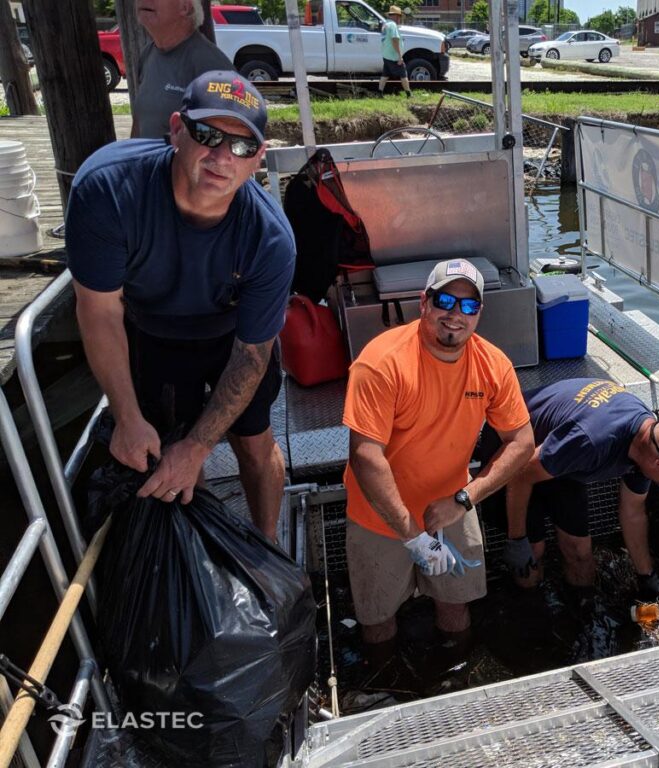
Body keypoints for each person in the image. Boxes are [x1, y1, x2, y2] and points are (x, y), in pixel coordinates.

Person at [67, 71, 295, 540]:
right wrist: (127, 417)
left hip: (233, 334)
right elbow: (99, 311)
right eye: (207, 135)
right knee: (163, 449)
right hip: (151, 329)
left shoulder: (270, 239)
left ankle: (267, 550)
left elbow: (253, 354)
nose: (220, 157)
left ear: (258, 160)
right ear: (175, 128)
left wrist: (200, 445)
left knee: (253, 443)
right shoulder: (108, 191)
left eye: (240, 146)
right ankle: (199, 549)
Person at [343, 259, 534, 647]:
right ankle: (385, 686)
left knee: (456, 605)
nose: (455, 315)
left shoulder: (493, 364)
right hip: (378, 515)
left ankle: (452, 678)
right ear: (423, 303)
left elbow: (522, 442)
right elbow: (365, 455)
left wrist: (464, 500)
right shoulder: (381, 362)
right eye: (446, 300)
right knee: (377, 621)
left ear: (479, 313)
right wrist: (411, 535)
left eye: (468, 306)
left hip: (451, 505)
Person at [499, 378, 659, 602]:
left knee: (581, 557)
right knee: (531, 557)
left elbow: (633, 511)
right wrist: (517, 538)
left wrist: (646, 575)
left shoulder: (648, 444)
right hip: (514, 453)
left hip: (561, 461)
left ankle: (580, 612)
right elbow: (521, 472)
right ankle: (530, 612)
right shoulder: (593, 440)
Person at [133, 0, 234, 138]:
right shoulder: (148, 54)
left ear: (185, 7)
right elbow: (140, 120)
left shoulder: (210, 65)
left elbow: (225, 139)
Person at [378, 5, 412, 98]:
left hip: (386, 54)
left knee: (385, 74)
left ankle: (380, 92)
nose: (400, 19)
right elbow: (394, 40)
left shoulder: (385, 24)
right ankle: (409, 94)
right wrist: (400, 56)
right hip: (393, 56)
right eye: (400, 17)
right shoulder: (393, 25)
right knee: (403, 74)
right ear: (397, 16)